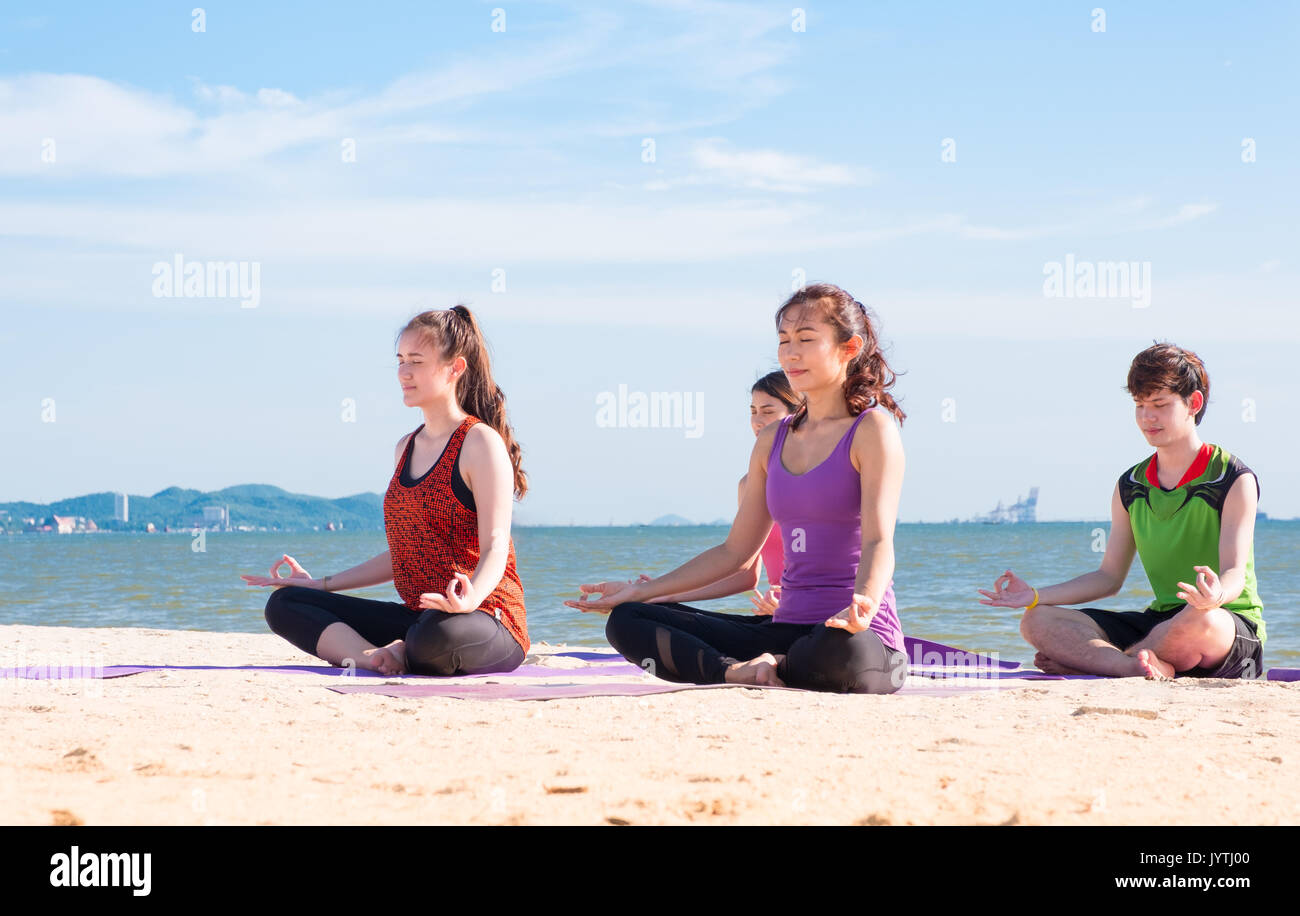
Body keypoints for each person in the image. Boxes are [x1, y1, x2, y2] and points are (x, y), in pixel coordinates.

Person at [565, 283, 909, 694]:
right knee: (629, 619)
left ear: (849, 348)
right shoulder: (773, 440)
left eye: (806, 340)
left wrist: (864, 605)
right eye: (783, 341)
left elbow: (878, 540)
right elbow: (735, 552)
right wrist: (641, 590)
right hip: (785, 630)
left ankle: (779, 665)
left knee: (844, 653)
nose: (790, 353)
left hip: (853, 635)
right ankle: (736, 672)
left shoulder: (871, 429)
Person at [241, 305, 530, 676]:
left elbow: (495, 543)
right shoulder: (405, 448)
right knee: (286, 603)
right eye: (400, 361)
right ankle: (374, 657)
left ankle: (406, 650)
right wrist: (321, 584)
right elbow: (403, 555)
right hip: (418, 615)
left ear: (454, 368)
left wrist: (470, 594)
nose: (404, 373)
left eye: (416, 361)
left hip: (486, 617)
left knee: (434, 635)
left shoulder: (479, 443)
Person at [979, 342, 1265, 680]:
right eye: (1140, 405)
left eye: (1159, 404)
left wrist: (1215, 593)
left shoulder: (1231, 477)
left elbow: (1234, 572)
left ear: (1194, 403)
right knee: (1037, 619)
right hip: (1160, 621)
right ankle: (1135, 666)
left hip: (1224, 624)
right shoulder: (1131, 485)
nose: (1147, 417)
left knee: (1200, 619)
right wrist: (1035, 595)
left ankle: (1107, 662)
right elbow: (1108, 578)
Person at [633, 370, 799, 616]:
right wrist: (663, 595)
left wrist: (796, 605)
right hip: (773, 617)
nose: (757, 421)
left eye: (767, 411)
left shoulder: (821, 479)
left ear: (796, 414)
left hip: (819, 620)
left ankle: (772, 654)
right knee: (633, 615)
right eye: (753, 411)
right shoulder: (749, 485)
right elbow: (745, 576)